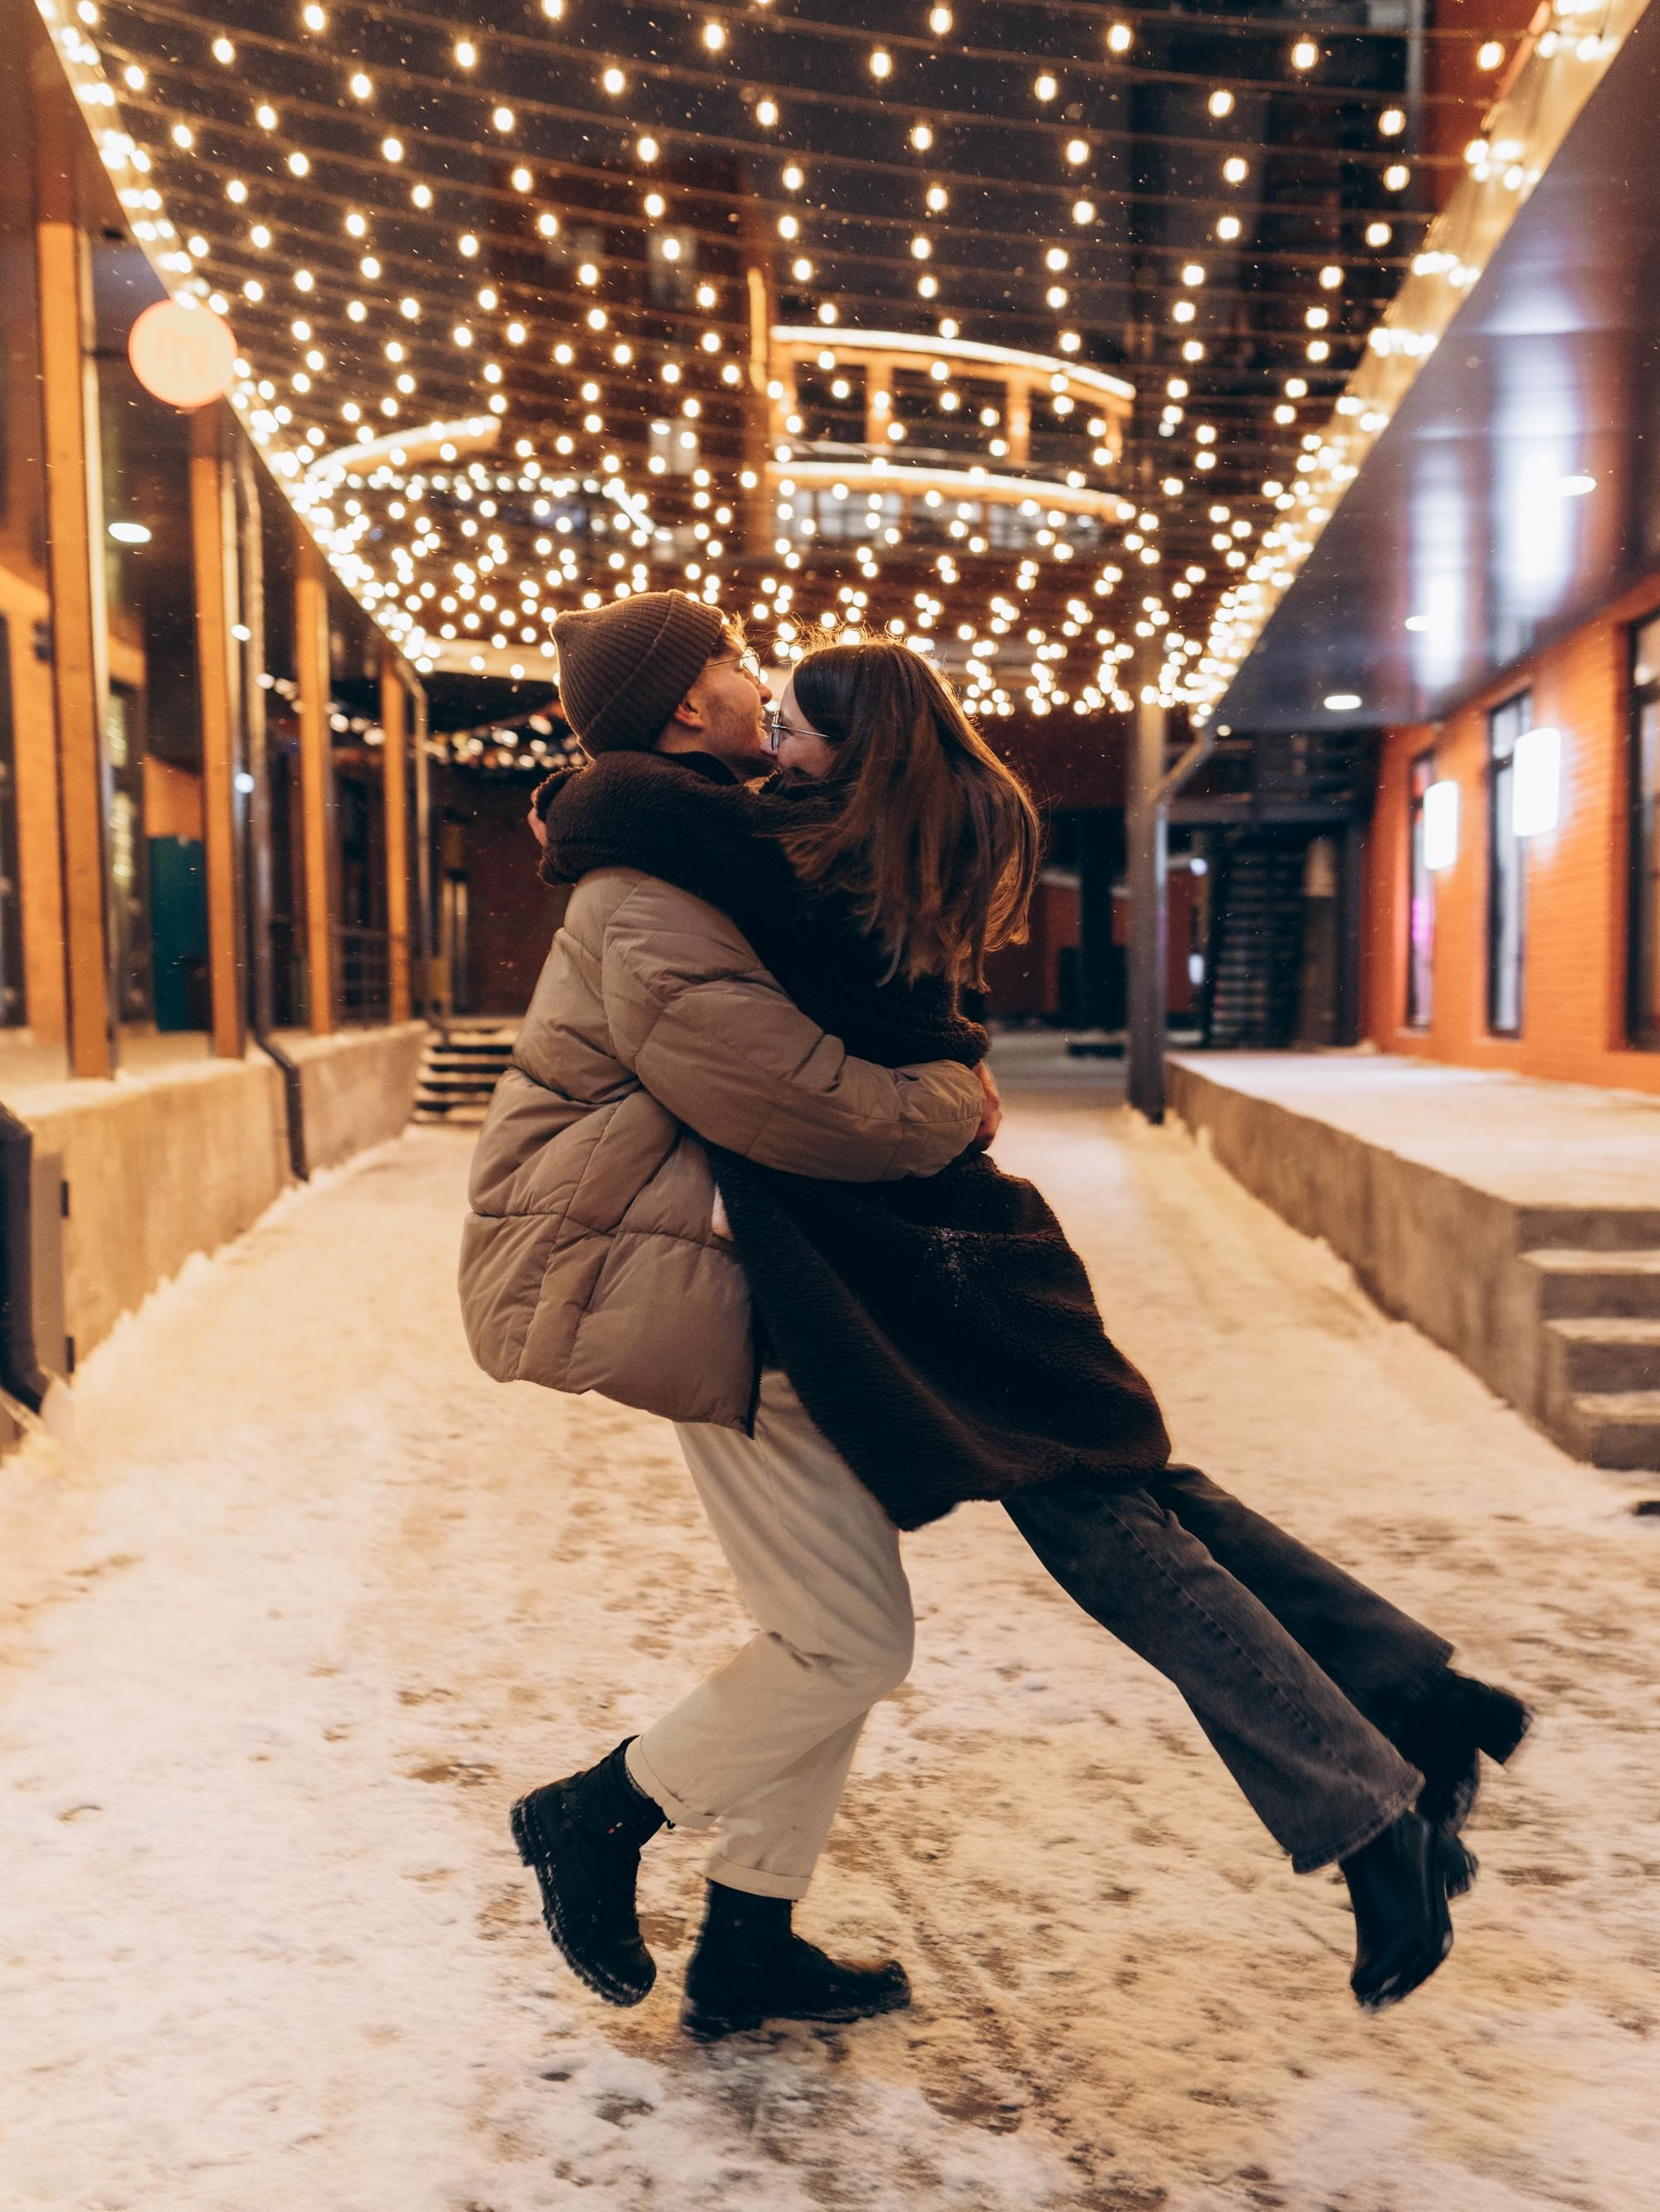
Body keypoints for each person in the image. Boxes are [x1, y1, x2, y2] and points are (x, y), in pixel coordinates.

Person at [461, 593, 1529, 2042]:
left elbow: (849, 973)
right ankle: (601, 1816)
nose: (757, 678)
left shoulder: (731, 845)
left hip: (820, 1276)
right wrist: (952, 1100)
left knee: (892, 1599)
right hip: (708, 1275)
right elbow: (794, 1101)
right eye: (732, 663)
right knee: (857, 1633)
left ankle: (748, 1934)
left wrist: (935, 1067)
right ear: (684, 708)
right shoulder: (649, 886)